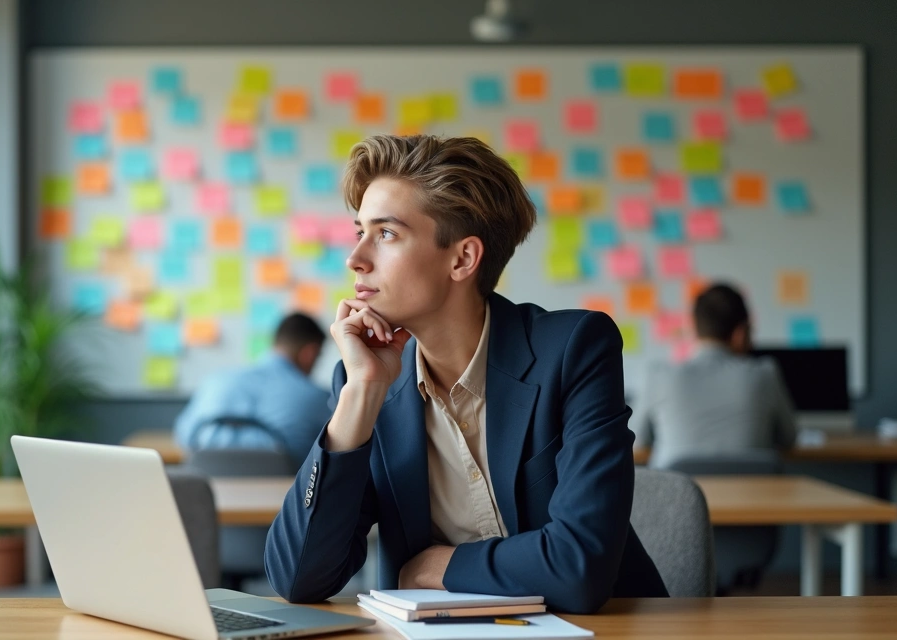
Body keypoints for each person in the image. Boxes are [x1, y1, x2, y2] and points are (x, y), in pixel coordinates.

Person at [264, 135, 667, 614]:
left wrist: (437, 566)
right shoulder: (367, 383)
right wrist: (361, 394)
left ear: (462, 259)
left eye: (386, 234)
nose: (356, 259)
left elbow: (579, 567)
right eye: (359, 233)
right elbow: (298, 579)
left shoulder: (574, 349)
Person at [631, 283, 797, 469]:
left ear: (695, 328)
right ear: (740, 333)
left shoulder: (658, 376)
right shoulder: (765, 374)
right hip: (750, 487)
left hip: (679, 487)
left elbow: (637, 440)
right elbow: (789, 438)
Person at [174, 313, 332, 466]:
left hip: (211, 483)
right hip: (282, 484)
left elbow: (183, 436)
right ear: (309, 353)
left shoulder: (215, 382)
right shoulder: (319, 398)